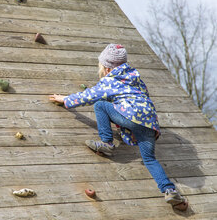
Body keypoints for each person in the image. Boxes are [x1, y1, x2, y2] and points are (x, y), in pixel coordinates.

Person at [49, 44, 186, 206]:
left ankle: (107, 143)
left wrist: (66, 99)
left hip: (132, 117)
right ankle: (169, 191)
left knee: (100, 104)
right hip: (150, 123)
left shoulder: (110, 81)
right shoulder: (135, 77)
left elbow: (89, 96)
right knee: (150, 159)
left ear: (106, 68)